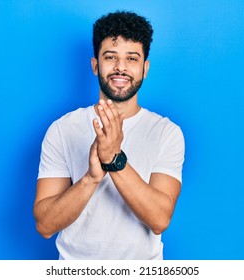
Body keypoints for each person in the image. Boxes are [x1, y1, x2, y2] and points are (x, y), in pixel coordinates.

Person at [33, 11, 185, 260]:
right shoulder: (62, 129)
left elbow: (159, 219)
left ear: (145, 68)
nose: (121, 67)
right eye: (110, 57)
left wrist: (114, 159)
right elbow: (45, 225)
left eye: (132, 58)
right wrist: (91, 178)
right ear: (95, 66)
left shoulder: (167, 133)